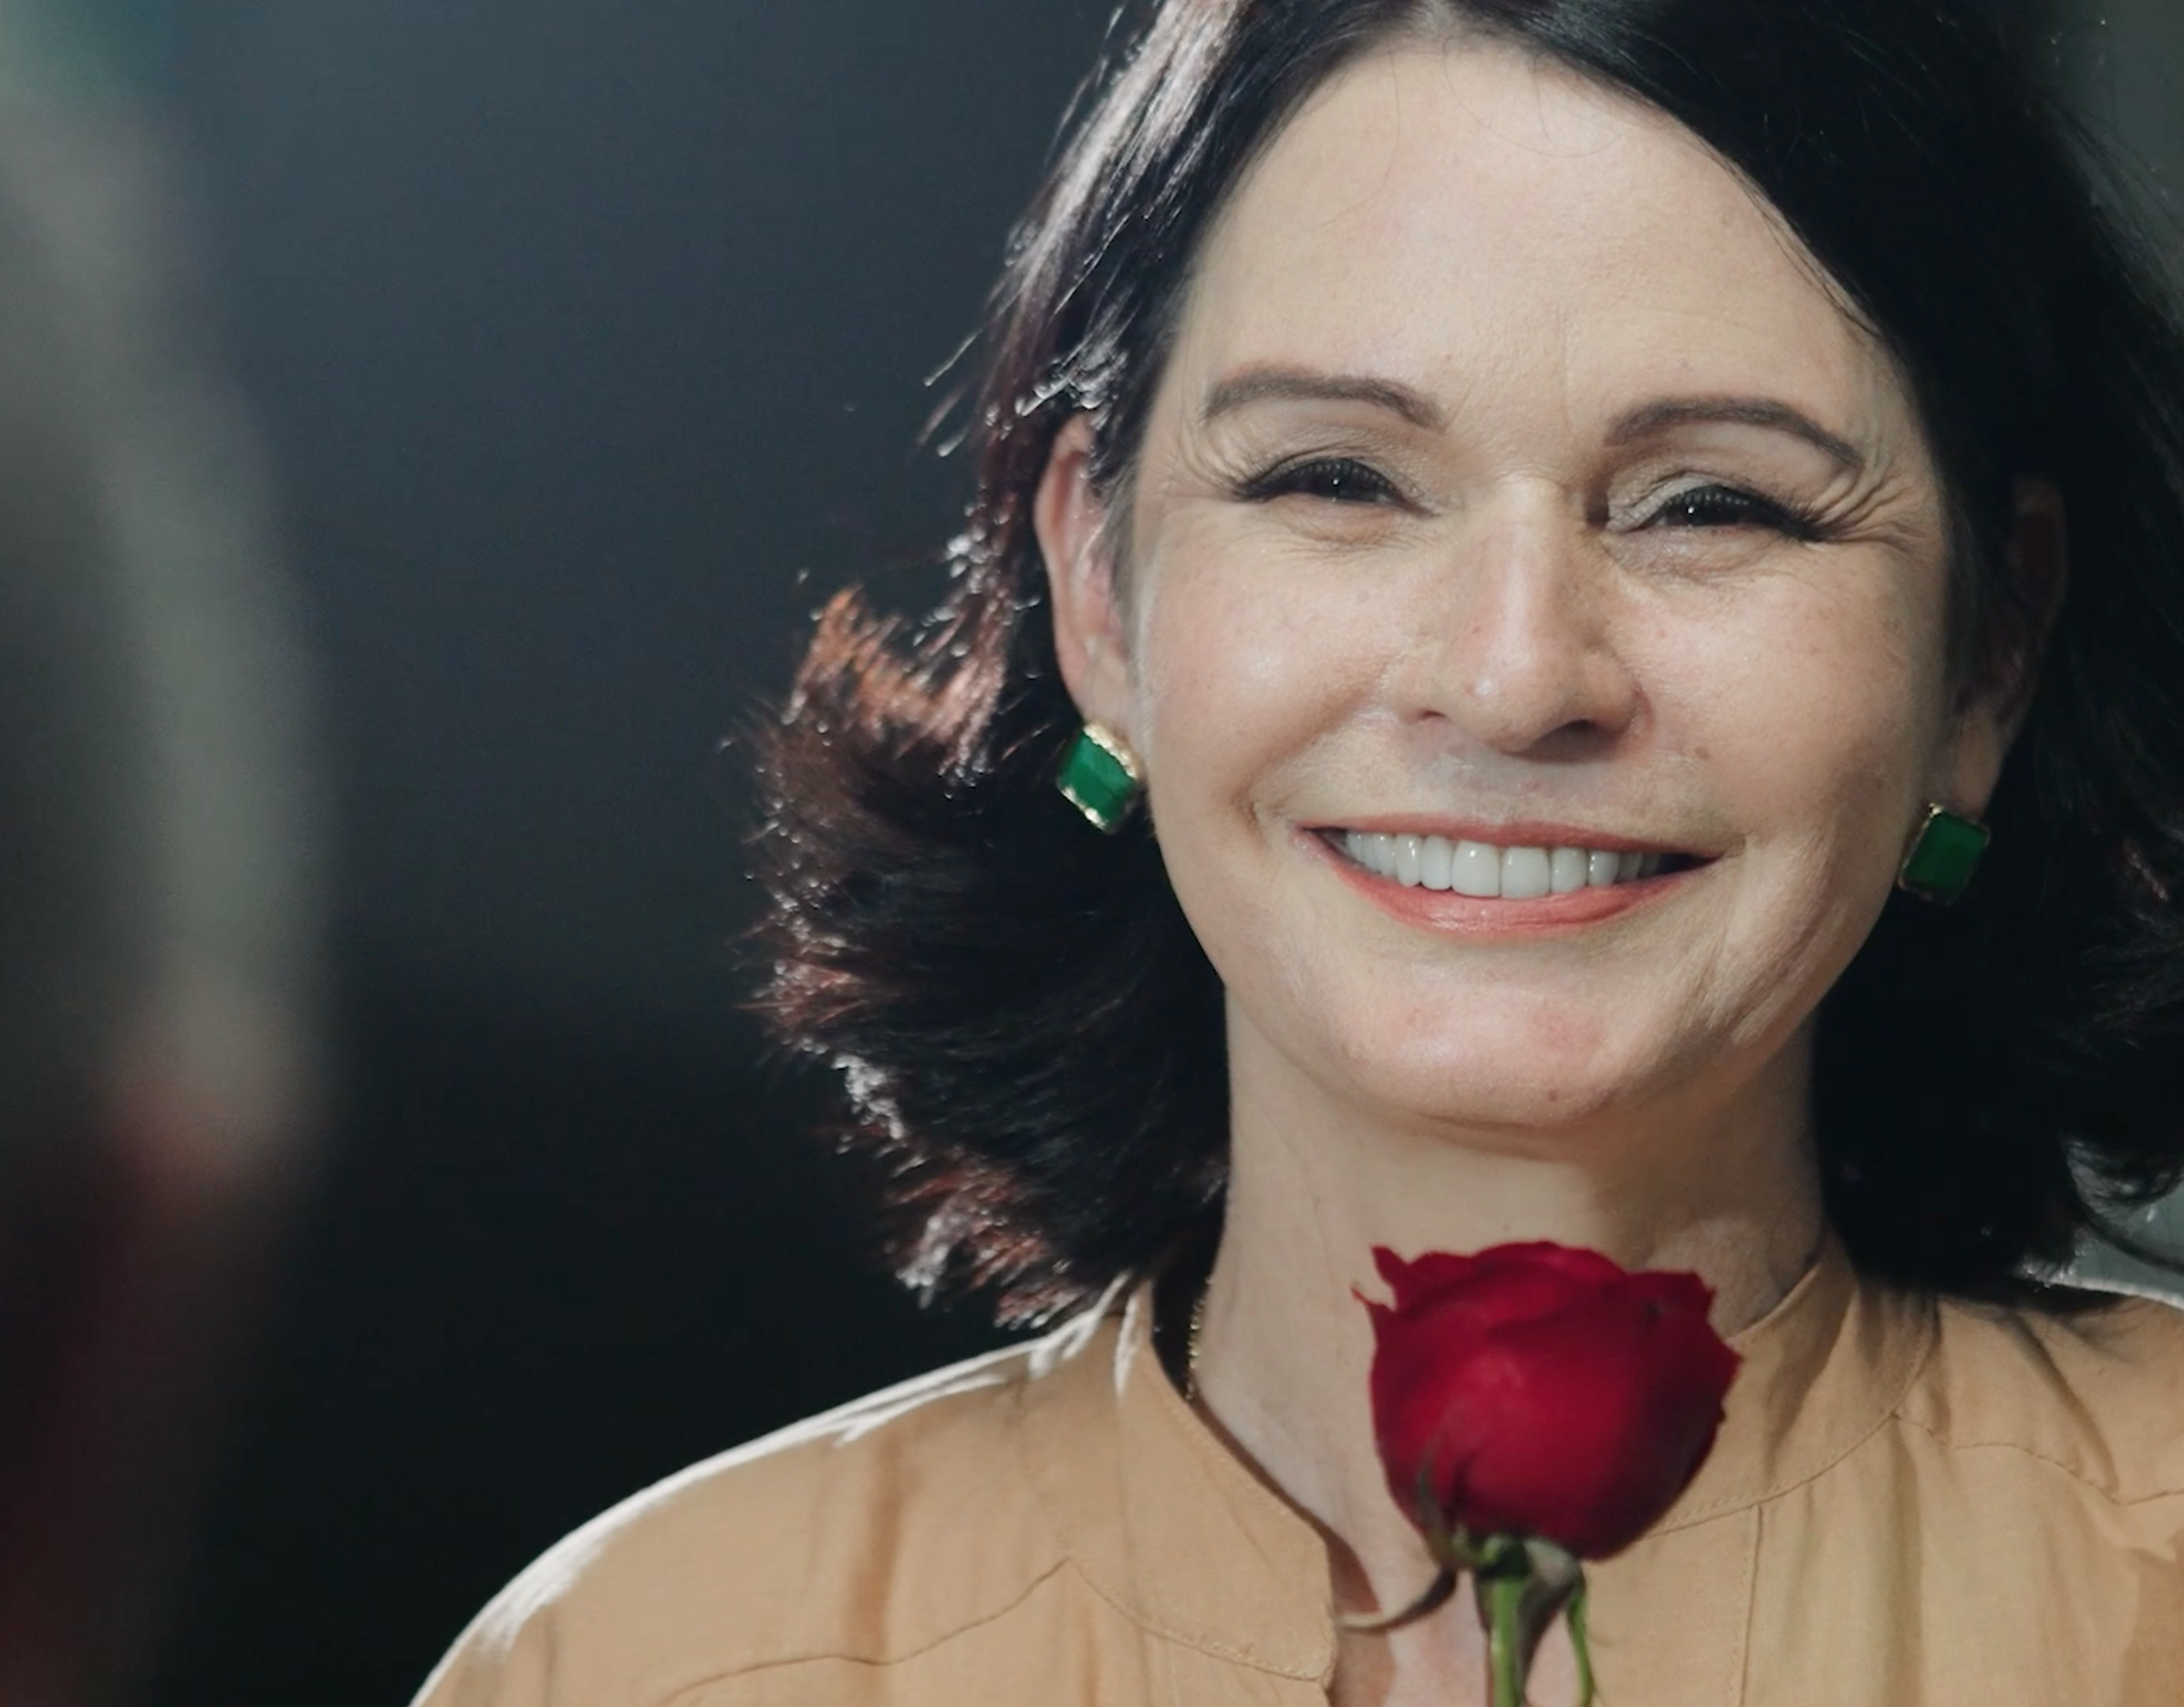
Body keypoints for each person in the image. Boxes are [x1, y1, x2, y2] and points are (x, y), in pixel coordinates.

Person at [412, 2, 2184, 1702]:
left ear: (1990, 651)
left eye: (1715, 502)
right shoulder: (654, 1668)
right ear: (1098, 590)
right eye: (1336, 478)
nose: (1514, 678)